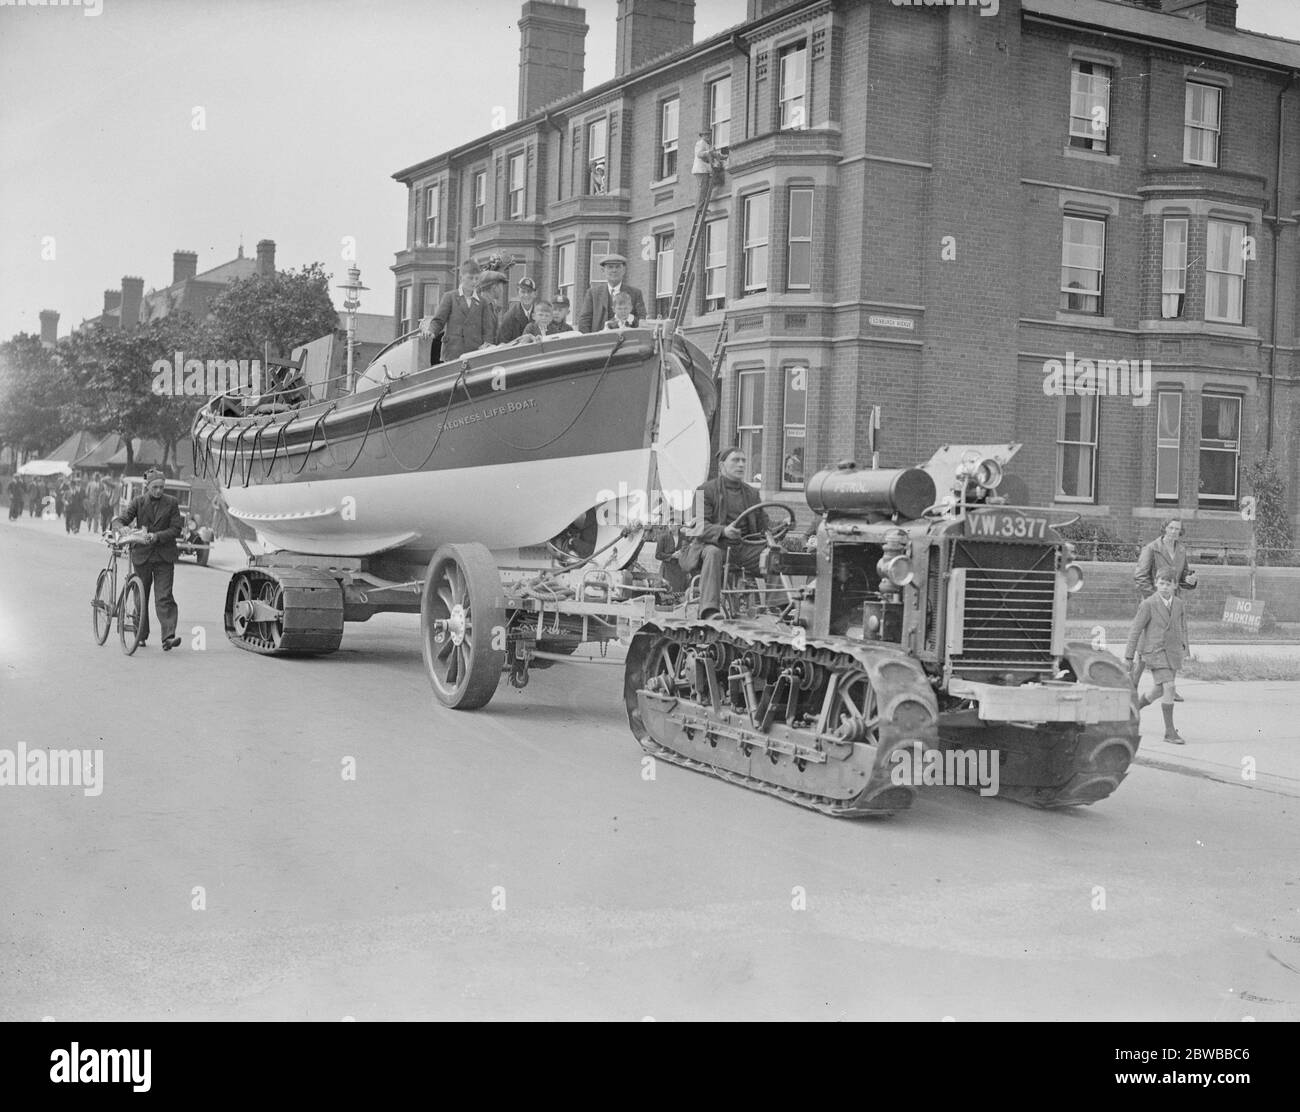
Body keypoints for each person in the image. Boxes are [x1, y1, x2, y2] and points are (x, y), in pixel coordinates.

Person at [681, 446, 767, 620]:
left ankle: (780, 608)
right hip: (712, 546)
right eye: (736, 460)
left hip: (743, 549)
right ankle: (709, 610)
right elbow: (698, 527)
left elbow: (763, 524)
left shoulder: (752, 493)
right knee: (713, 554)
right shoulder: (703, 490)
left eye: (743, 460)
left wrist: (783, 526)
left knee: (774, 554)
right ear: (722, 466)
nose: (741, 464)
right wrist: (723, 531)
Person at [111, 468, 183, 651]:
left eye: (161, 487)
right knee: (140, 598)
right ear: (148, 486)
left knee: (164, 596)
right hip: (142, 556)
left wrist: (157, 536)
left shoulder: (172, 503)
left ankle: (168, 637)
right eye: (155, 487)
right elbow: (122, 519)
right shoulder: (139, 502)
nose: (159, 491)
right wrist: (121, 527)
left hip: (164, 556)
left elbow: (176, 529)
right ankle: (140, 635)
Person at [1133, 517, 1197, 699]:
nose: (1174, 532)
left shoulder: (1182, 550)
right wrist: (1155, 598)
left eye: (1177, 529)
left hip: (1173, 606)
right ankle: (1133, 684)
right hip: (1153, 605)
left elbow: (1183, 576)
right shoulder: (1151, 549)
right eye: (1171, 528)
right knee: (1147, 646)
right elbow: (1140, 576)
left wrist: (1190, 580)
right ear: (1164, 529)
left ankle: (1170, 687)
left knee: (1173, 644)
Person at [1124, 570, 1189, 744]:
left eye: (1169, 584)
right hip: (1154, 652)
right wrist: (1129, 656)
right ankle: (1169, 732)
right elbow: (1135, 630)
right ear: (1156, 583)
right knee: (1169, 686)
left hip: (1172, 653)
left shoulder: (1179, 604)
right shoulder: (1148, 604)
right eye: (1161, 583)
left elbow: (1181, 629)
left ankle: (1132, 710)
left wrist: (1184, 649)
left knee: (1158, 690)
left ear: (1175, 585)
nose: (1165, 587)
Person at [429, 259, 499, 361]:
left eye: (477, 278)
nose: (474, 282)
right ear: (461, 278)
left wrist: (487, 347)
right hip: (452, 354)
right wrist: (431, 331)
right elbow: (438, 321)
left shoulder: (483, 302)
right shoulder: (450, 297)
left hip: (475, 354)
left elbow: (488, 330)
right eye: (470, 278)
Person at [578, 254, 647, 333]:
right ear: (603, 270)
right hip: (598, 342)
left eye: (618, 267)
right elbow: (584, 321)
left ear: (624, 270)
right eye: (610, 267)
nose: (614, 270)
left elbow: (642, 319)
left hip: (627, 342)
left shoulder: (635, 293)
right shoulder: (592, 294)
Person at [495, 276, 538, 344]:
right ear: (518, 293)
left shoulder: (541, 314)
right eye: (523, 292)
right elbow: (502, 343)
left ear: (535, 294)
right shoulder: (509, 317)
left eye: (529, 292)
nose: (526, 295)